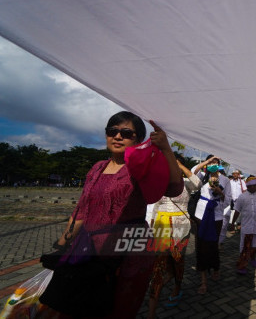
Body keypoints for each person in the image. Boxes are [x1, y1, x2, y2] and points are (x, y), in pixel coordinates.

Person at [53, 111, 183, 318]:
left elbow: (174, 188)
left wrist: (166, 148)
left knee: (114, 308)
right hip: (89, 249)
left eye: (126, 133)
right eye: (112, 131)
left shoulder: (141, 168)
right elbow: (82, 210)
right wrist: (62, 244)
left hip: (127, 253)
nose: (118, 136)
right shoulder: (97, 168)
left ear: (139, 140)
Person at [147, 154, 202, 318]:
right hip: (161, 227)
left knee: (177, 261)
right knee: (158, 266)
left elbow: (198, 184)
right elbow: (155, 207)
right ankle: (151, 312)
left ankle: (177, 287)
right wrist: (151, 228)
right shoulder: (160, 183)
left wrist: (180, 165)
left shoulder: (186, 183)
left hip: (181, 228)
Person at [191, 155, 232, 294]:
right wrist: (207, 162)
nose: (213, 164)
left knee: (213, 245)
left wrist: (220, 193)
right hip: (201, 215)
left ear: (220, 165)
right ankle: (203, 280)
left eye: (216, 162)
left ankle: (216, 267)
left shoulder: (225, 180)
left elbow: (228, 202)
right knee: (201, 245)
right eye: (211, 162)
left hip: (216, 216)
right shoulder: (202, 176)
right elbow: (192, 172)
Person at [231, 176, 256, 274]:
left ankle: (252, 259)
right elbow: (237, 211)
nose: (253, 188)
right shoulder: (242, 197)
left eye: (255, 186)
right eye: (251, 186)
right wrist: (232, 223)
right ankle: (241, 266)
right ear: (247, 186)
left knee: (255, 245)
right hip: (246, 227)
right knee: (245, 247)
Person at [219, 169, 247, 246]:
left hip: (239, 200)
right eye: (233, 174)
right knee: (232, 213)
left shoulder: (241, 182)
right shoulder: (230, 182)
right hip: (231, 200)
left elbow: (244, 190)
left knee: (239, 213)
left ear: (238, 175)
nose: (234, 175)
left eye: (236, 174)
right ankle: (232, 226)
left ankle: (238, 224)